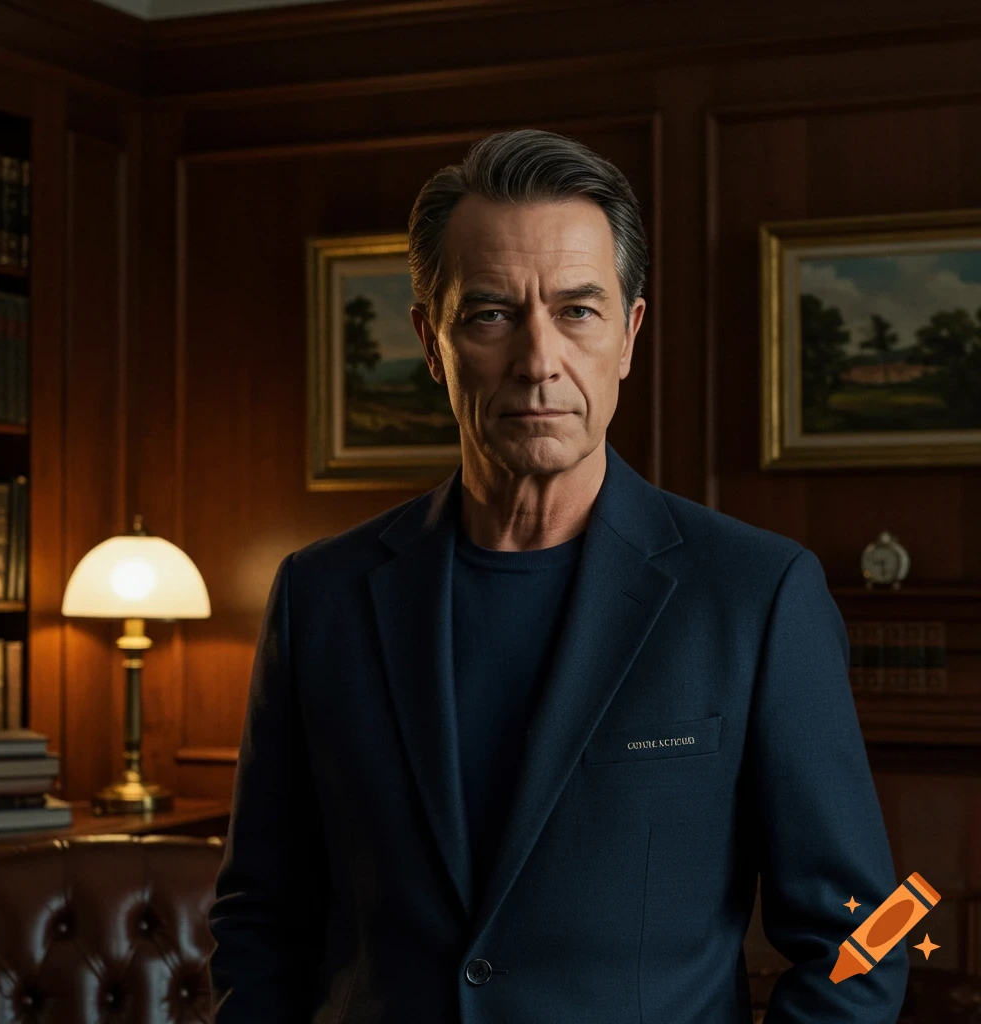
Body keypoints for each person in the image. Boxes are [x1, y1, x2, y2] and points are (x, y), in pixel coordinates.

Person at [207, 128, 908, 1023]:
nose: (539, 361)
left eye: (578, 311)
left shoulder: (757, 596)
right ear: (432, 341)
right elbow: (261, 914)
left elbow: (868, 933)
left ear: (628, 335)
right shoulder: (322, 596)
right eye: (492, 313)